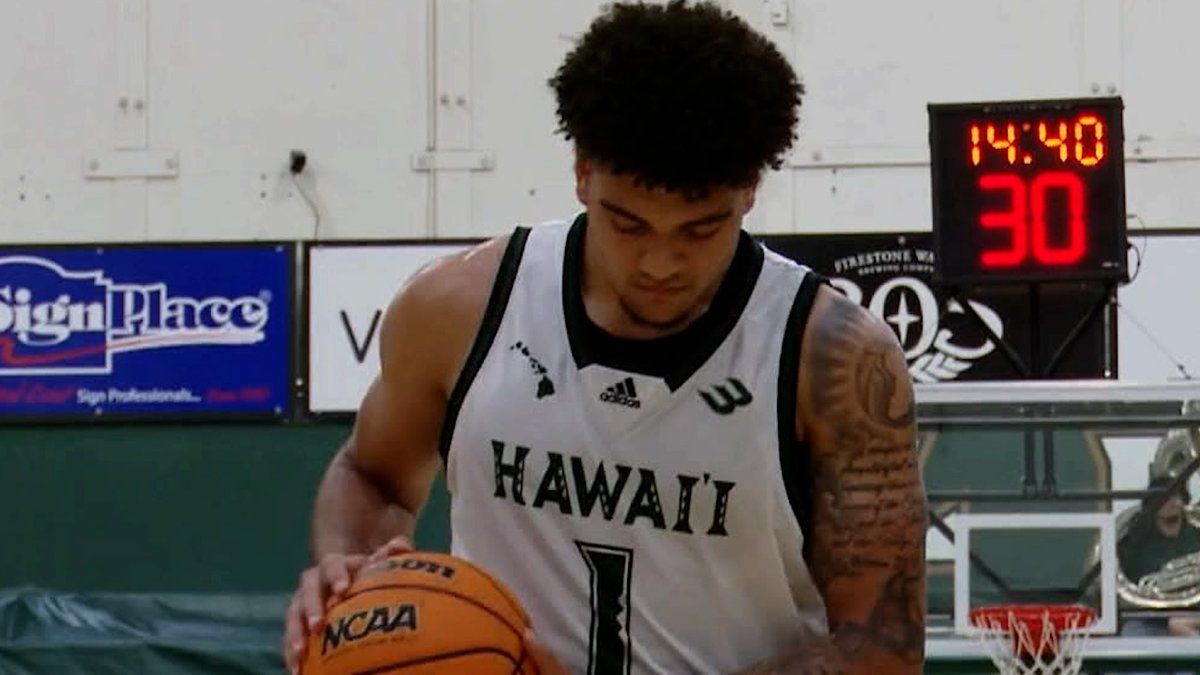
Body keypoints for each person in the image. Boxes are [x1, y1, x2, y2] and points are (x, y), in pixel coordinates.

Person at [283, 2, 926, 673]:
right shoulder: (459, 307)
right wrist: (350, 569)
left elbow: (881, 648)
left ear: (751, 191)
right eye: (628, 224)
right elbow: (372, 474)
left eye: (699, 230)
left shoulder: (832, 360)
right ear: (583, 171)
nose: (659, 262)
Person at [1118, 475, 1200, 638]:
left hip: (1194, 615)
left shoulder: (1196, 534)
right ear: (1152, 505)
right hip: (1150, 620)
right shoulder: (1136, 540)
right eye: (1163, 498)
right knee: (1131, 636)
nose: (1171, 502)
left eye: (1175, 496)